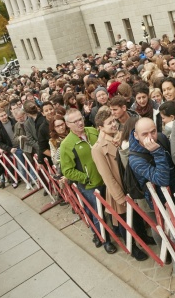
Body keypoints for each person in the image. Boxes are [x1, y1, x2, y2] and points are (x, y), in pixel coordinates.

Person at [90, 107, 148, 261]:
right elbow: (107, 176)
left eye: (114, 121)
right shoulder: (97, 149)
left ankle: (143, 237)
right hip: (117, 188)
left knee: (136, 216)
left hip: (130, 182)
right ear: (100, 127)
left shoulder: (119, 137)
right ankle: (133, 247)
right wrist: (120, 197)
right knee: (124, 220)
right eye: (109, 123)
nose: (114, 124)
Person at [59, 109, 117, 254]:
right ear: (68, 124)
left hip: (106, 179)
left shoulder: (92, 131)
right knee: (97, 215)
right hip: (90, 186)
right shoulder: (66, 144)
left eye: (81, 119)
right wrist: (86, 177)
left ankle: (110, 233)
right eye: (75, 121)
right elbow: (67, 170)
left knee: (111, 209)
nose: (80, 123)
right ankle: (105, 240)